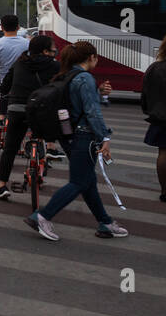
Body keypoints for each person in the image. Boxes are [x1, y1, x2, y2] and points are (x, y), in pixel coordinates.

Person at [25, 41, 127, 241]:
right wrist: (104, 137)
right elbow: (91, 112)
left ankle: (105, 222)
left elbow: (79, 105)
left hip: (68, 135)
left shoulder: (66, 75)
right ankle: (43, 216)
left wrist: (100, 95)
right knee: (80, 181)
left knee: (88, 181)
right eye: (96, 57)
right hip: (84, 136)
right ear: (91, 58)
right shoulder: (85, 78)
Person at [0, 35, 61, 199]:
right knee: (46, 132)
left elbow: (4, 87)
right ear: (45, 51)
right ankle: (49, 151)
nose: (55, 52)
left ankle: (2, 186)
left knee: (10, 148)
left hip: (16, 108)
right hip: (41, 110)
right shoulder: (54, 65)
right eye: (53, 49)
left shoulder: (19, 63)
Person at [141, 32, 166, 203]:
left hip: (162, 118)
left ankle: (165, 192)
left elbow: (146, 94)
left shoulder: (154, 68)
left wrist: (150, 111)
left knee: (165, 153)